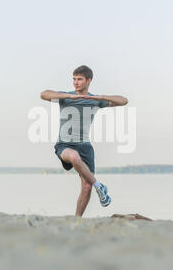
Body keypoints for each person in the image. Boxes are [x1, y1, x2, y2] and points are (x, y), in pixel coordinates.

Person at [40, 65, 128, 217]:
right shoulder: (66, 97)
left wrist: (101, 97)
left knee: (86, 187)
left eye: (79, 79)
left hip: (85, 147)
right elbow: (44, 94)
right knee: (74, 156)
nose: (75, 82)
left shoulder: (95, 101)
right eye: (74, 79)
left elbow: (123, 101)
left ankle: (77, 220)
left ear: (89, 80)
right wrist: (69, 96)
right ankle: (99, 185)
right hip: (65, 144)